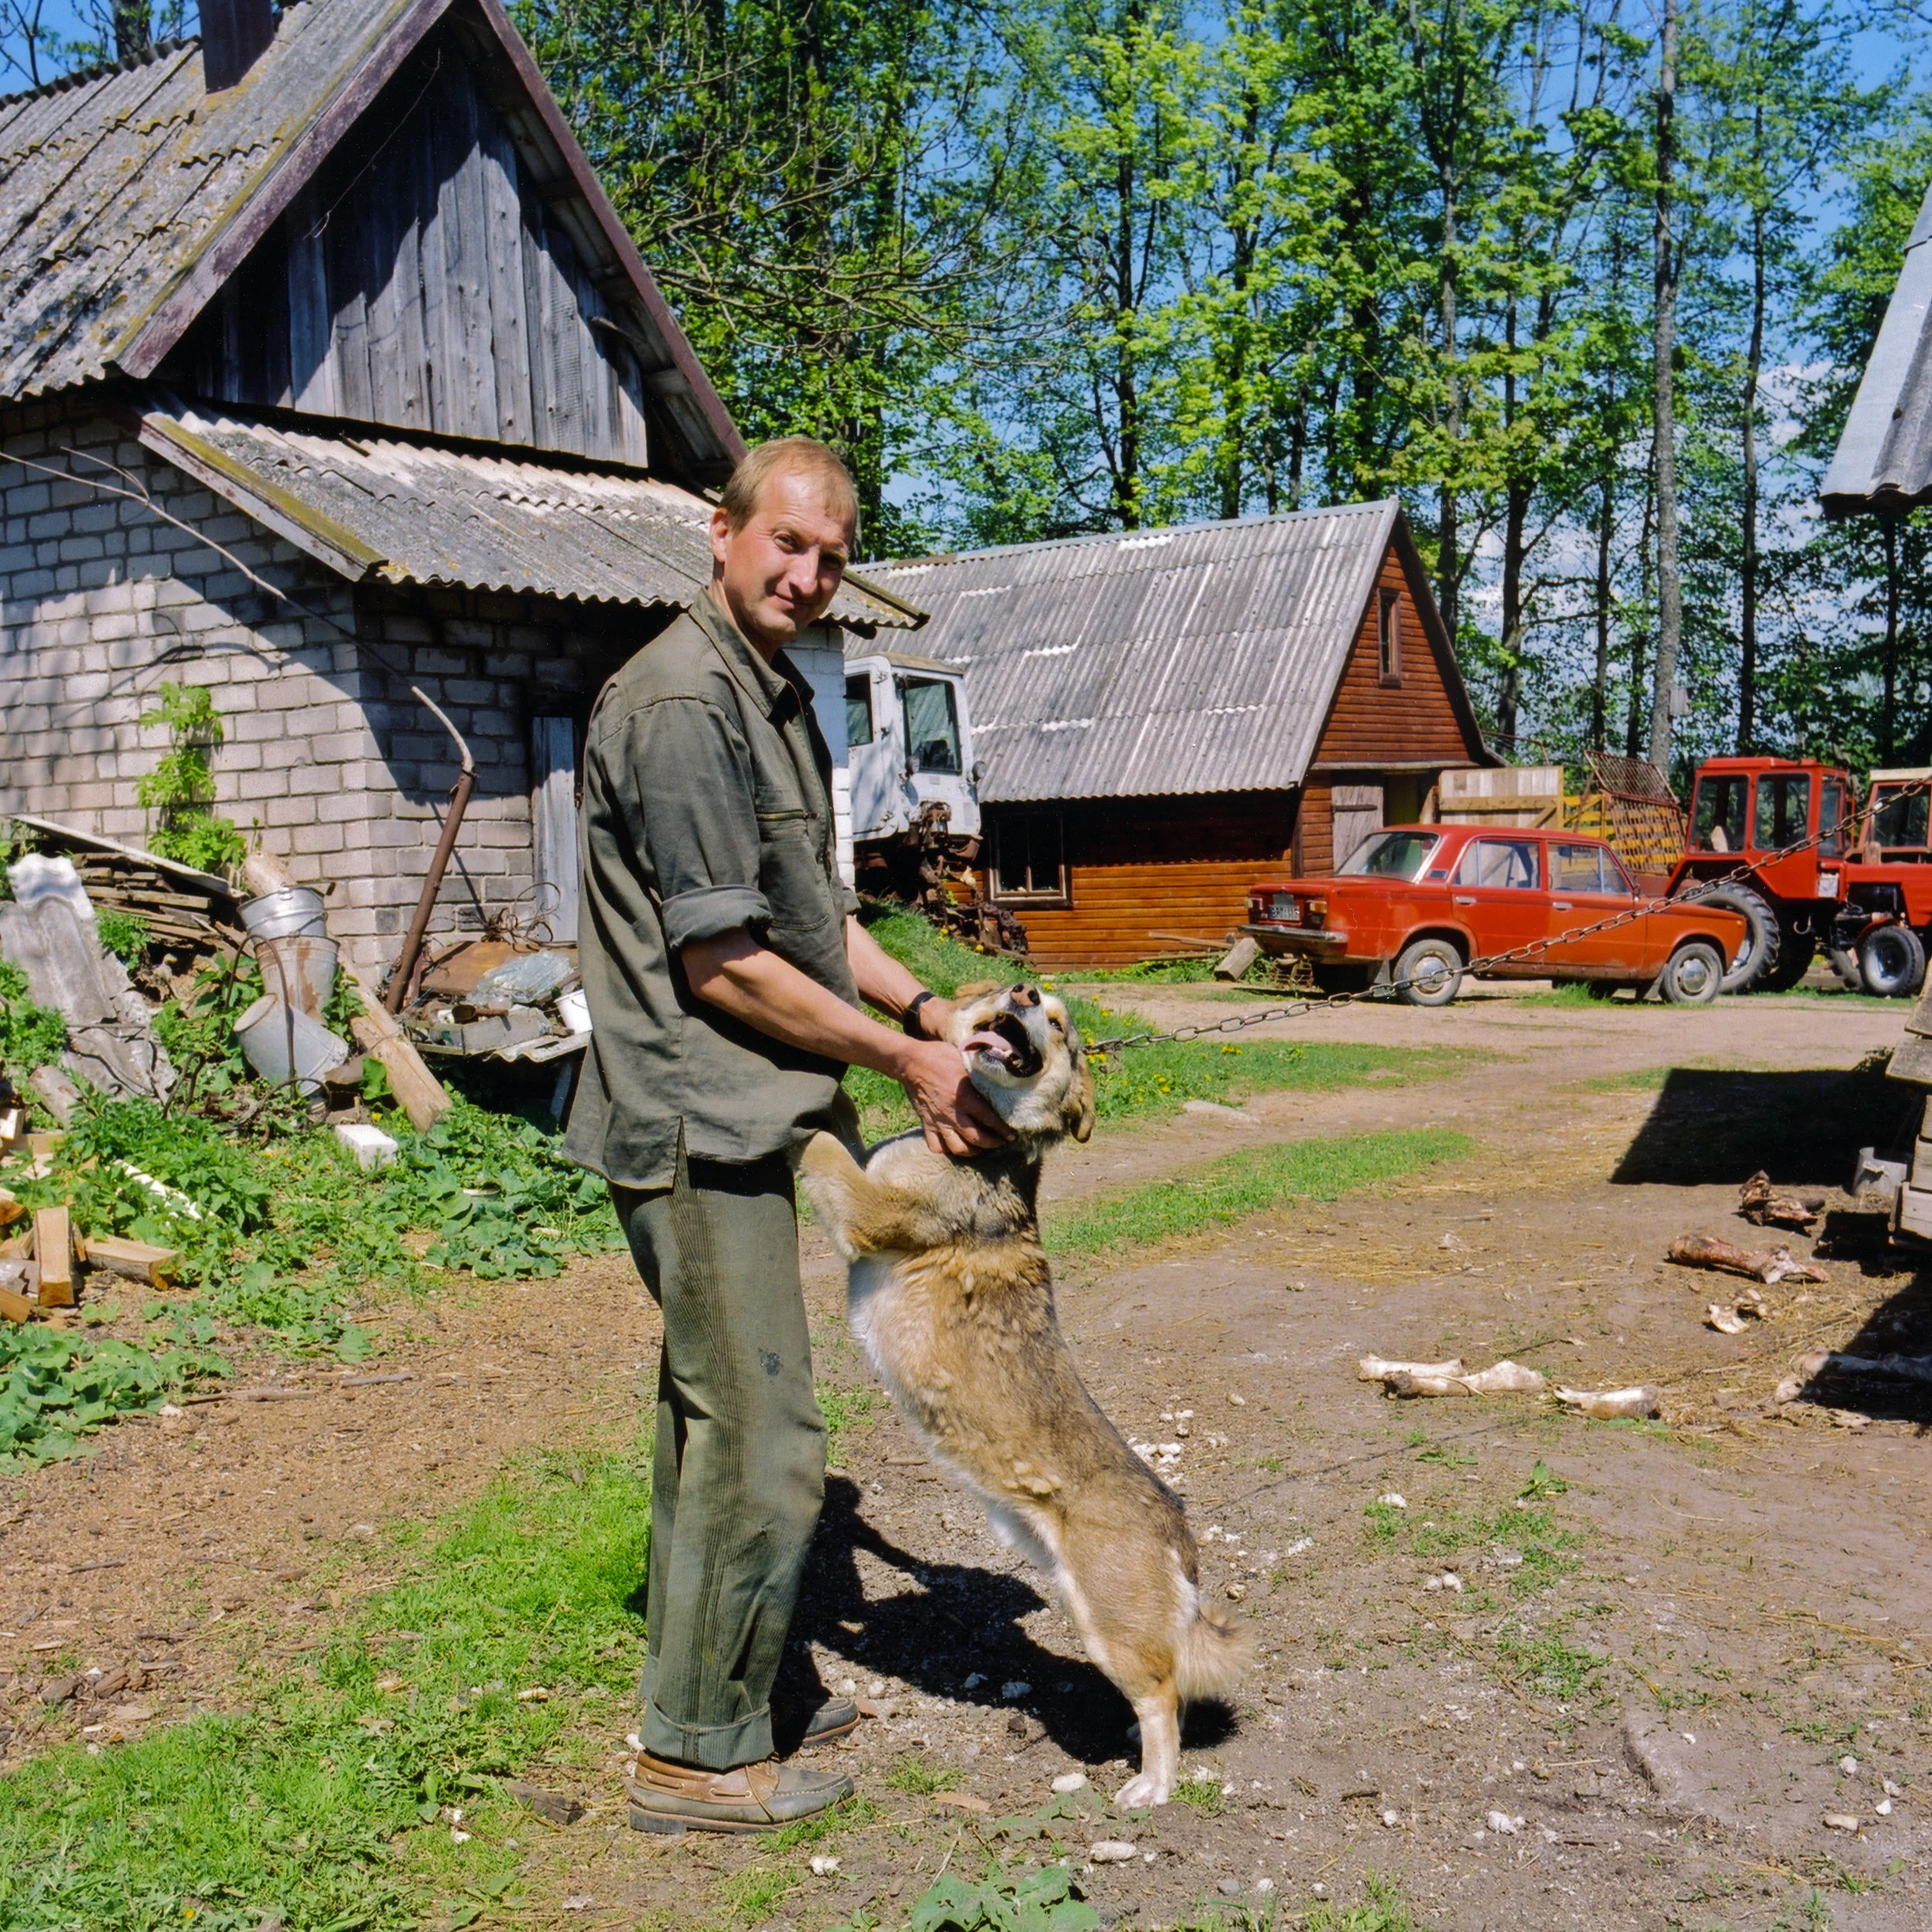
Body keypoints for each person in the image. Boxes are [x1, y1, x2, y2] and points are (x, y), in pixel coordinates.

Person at [565, 437, 1008, 1835]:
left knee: (713, 1426)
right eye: (787, 545)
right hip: (701, 1119)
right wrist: (909, 1065)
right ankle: (695, 1755)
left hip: (759, 1116)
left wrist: (932, 1004)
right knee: (766, 1442)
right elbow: (727, 968)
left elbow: (818, 927)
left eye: (832, 556)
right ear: (722, 531)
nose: (809, 576)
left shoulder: (768, 698)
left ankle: (729, 1692)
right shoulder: (686, 703)